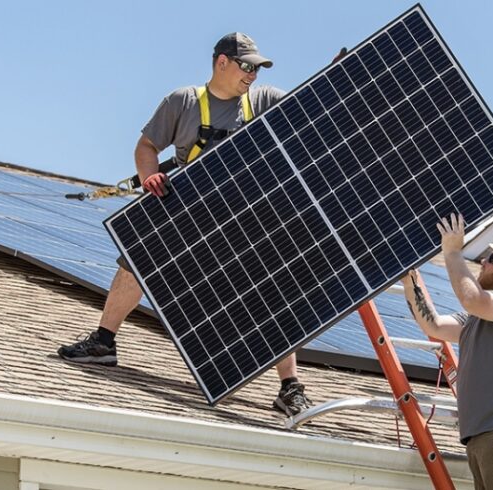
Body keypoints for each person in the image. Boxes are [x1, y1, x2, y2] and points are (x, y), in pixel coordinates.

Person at [59, 32, 312, 417]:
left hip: (245, 213)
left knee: (273, 286)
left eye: (257, 69)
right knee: (135, 261)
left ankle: (289, 387)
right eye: (247, 66)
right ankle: (103, 342)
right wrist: (148, 178)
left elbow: (310, 112)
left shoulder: (264, 101)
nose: (252, 75)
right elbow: (146, 148)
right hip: (189, 209)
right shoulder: (182, 102)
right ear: (221, 63)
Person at [400, 214, 493, 489]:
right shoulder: (479, 319)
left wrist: (453, 251)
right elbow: (435, 326)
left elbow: (471, 299)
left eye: (492, 258)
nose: (483, 261)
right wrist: (411, 281)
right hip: (487, 435)